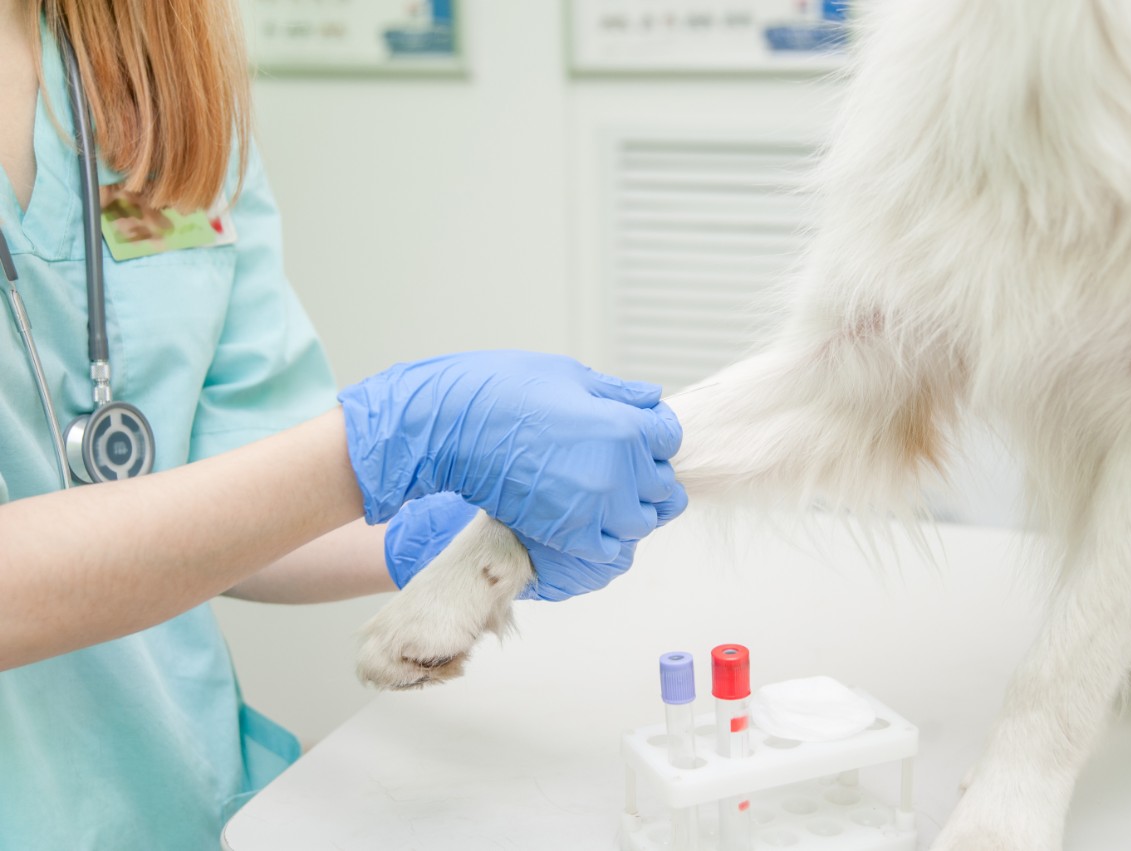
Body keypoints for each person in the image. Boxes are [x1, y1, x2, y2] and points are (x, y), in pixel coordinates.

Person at [0, 1, 687, 848]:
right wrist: (372, 451)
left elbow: (234, 490)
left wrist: (444, 535)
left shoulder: (148, 60)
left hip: (191, 798)